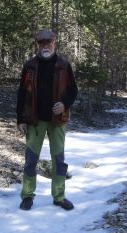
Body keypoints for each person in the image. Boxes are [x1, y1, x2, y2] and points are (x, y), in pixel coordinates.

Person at [16, 30, 78, 211]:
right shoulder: (29, 66)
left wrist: (64, 104)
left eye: (48, 43)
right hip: (34, 120)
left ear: (55, 43)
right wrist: (21, 119)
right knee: (30, 159)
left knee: (58, 159)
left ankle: (59, 196)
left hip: (57, 120)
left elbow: (73, 91)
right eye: (41, 44)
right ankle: (27, 195)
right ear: (37, 45)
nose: (45, 46)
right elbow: (22, 94)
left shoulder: (64, 65)